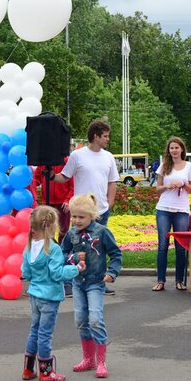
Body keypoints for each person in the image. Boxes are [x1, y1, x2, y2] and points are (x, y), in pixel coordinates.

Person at [20, 206, 85, 381]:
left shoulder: (29, 246)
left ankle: (28, 368)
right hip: (49, 297)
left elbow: (25, 272)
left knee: (34, 330)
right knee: (45, 334)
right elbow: (57, 274)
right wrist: (76, 269)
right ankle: (46, 372)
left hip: (34, 293)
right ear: (51, 226)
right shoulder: (53, 248)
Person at [54, 120, 119, 294]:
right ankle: (69, 282)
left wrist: (109, 203)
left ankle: (98, 282)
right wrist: (52, 177)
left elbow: (113, 182)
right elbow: (65, 176)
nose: (107, 139)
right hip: (81, 212)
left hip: (101, 211)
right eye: (105, 136)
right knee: (76, 246)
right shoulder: (78, 155)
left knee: (99, 248)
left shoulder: (109, 157)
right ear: (95, 136)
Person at [61, 194, 122, 378]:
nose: (76, 220)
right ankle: (88, 359)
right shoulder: (71, 234)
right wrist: (72, 258)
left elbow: (115, 253)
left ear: (92, 216)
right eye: (74, 216)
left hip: (96, 283)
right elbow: (62, 254)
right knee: (80, 320)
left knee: (95, 319)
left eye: (81, 217)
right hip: (78, 282)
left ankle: (101, 361)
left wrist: (112, 272)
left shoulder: (101, 232)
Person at [153, 136, 191, 291]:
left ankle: (180, 280)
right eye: (171, 148)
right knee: (162, 245)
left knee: (180, 246)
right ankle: (161, 280)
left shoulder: (189, 166)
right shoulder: (164, 166)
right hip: (164, 209)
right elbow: (157, 188)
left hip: (181, 210)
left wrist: (183, 184)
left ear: (182, 149)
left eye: (176, 148)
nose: (174, 150)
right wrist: (168, 185)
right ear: (169, 150)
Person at [32, 162, 75, 296]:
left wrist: (68, 200)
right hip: (48, 203)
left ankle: (64, 275)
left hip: (62, 204)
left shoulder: (67, 161)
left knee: (64, 237)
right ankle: (47, 273)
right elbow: (35, 179)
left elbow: (72, 184)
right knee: (47, 237)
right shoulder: (44, 162)